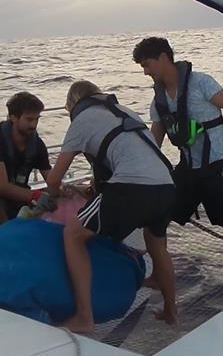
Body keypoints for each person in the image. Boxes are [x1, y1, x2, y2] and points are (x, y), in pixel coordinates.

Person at [132, 37, 223, 285]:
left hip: (217, 169)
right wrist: (136, 171)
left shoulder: (201, 83)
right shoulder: (160, 99)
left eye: (147, 64)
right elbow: (155, 140)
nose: (145, 72)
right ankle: (157, 277)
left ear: (163, 57)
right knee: (155, 219)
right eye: (142, 67)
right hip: (188, 170)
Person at [46, 80, 178, 333]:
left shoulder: (81, 121)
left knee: (73, 236)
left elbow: (53, 180)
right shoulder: (124, 111)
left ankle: (84, 318)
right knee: (156, 243)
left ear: (73, 105)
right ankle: (172, 311)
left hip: (133, 186)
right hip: (167, 184)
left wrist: (56, 195)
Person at [0, 92, 54, 228]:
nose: (34, 125)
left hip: (20, 200)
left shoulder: (37, 144)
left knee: (56, 195)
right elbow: (2, 187)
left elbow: (50, 179)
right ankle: (6, 232)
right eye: (29, 119)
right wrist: (35, 196)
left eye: (36, 119)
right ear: (13, 118)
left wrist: (68, 190)